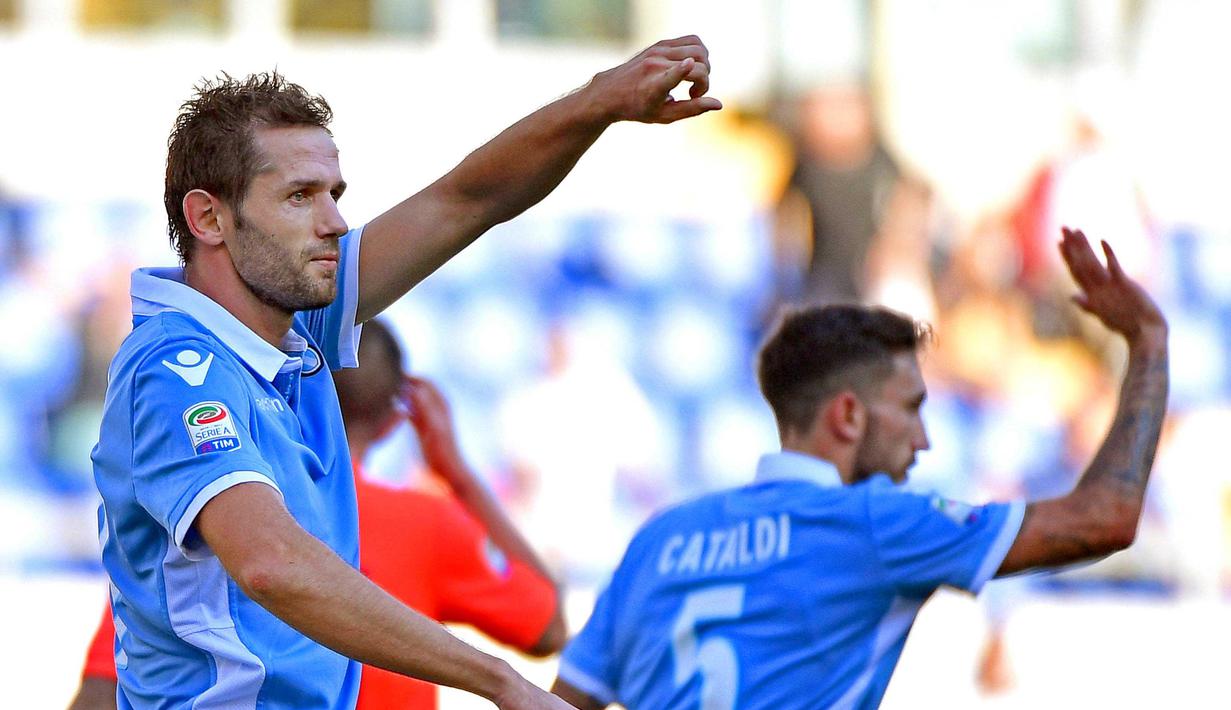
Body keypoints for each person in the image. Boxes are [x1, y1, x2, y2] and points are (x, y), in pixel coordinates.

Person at [91, 37, 719, 710]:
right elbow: (269, 561)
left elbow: (467, 198)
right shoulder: (178, 368)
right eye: (300, 196)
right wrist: (499, 681)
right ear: (208, 217)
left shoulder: (289, 327)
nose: (334, 221)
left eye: (334, 193)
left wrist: (597, 102)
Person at [551, 227, 1169, 709]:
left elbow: (559, 703)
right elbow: (1105, 519)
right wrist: (1146, 345)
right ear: (847, 417)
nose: (924, 440)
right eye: (911, 409)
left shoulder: (662, 538)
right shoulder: (879, 524)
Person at [71, 319, 564, 710]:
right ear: (397, 420)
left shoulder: (207, 516)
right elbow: (548, 628)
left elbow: (101, 690)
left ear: (286, 396)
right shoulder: (428, 523)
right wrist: (459, 474)